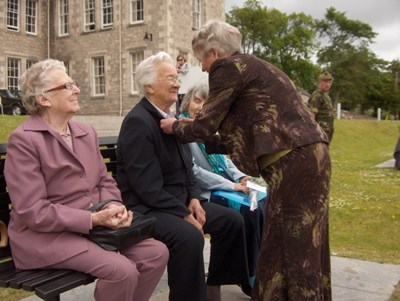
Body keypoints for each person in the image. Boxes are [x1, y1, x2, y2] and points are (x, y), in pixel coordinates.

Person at [160, 20, 332, 301]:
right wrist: (195, 130)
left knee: (294, 246)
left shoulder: (228, 68)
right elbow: (237, 140)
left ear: (214, 53)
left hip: (294, 164)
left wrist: (175, 127)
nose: (203, 68)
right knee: (290, 242)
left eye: (202, 59)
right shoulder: (255, 69)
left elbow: (203, 127)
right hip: (309, 158)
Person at [4, 59, 169, 301]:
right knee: (121, 271)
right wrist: (91, 219)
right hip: (44, 238)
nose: (76, 89)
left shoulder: (85, 132)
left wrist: (112, 206)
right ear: (44, 99)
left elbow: (104, 181)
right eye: (67, 85)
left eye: (74, 84)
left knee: (155, 253)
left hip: (91, 229)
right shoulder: (25, 140)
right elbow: (32, 210)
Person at [116, 51, 249, 301]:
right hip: (147, 208)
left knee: (232, 221)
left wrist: (195, 199)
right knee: (188, 237)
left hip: (176, 202)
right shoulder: (138, 122)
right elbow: (146, 188)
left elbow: (187, 168)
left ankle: (214, 286)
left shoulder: (170, 118)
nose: (178, 83)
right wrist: (185, 214)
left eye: (177, 78)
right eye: (170, 78)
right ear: (149, 86)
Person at [179, 82, 266, 293]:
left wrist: (242, 177)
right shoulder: (182, 128)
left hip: (225, 185)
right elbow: (194, 172)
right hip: (204, 193)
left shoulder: (206, 129)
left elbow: (224, 162)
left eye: (206, 102)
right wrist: (232, 186)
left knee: (261, 202)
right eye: (197, 100)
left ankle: (253, 271)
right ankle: (245, 277)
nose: (201, 107)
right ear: (186, 103)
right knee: (244, 211)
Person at [308, 71, 335, 142]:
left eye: (329, 82)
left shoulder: (326, 96)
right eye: (326, 82)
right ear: (320, 82)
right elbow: (312, 115)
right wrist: (313, 132)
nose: (328, 84)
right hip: (320, 131)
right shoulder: (317, 95)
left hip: (327, 130)